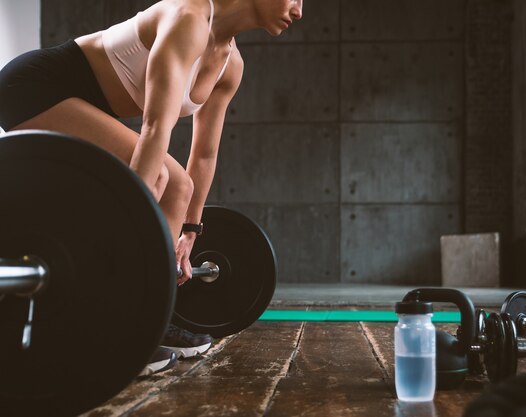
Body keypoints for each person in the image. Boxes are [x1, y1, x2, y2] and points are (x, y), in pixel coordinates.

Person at [0, 0, 304, 375]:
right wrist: (130, 228)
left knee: (178, 186)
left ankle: (146, 318)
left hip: (79, 101)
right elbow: (155, 128)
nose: (299, 10)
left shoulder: (231, 66)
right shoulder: (188, 18)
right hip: (34, 86)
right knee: (163, 180)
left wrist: (190, 232)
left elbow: (205, 156)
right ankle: (116, 327)